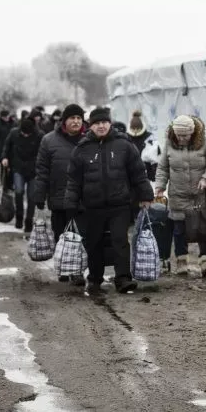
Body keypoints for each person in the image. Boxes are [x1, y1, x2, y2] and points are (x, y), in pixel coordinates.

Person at [64, 107, 153, 294]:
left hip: (119, 204)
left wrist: (145, 195)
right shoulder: (82, 149)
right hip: (93, 206)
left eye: (104, 122)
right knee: (94, 243)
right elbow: (74, 180)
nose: (101, 126)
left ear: (110, 123)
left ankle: (123, 279)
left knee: (120, 241)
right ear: (90, 126)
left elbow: (138, 172)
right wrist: (70, 203)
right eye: (97, 123)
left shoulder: (124, 145)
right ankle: (95, 279)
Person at [154, 115, 206, 277]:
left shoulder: (204, 142)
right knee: (179, 230)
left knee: (203, 228)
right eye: (179, 135)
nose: (182, 138)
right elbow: (163, 168)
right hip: (178, 194)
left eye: (185, 135)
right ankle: (182, 261)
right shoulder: (170, 144)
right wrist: (160, 186)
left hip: (200, 195)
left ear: (193, 133)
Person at [35, 104, 87, 285]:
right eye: (72, 118)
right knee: (61, 233)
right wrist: (39, 195)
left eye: (79, 118)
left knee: (81, 234)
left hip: (83, 197)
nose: (76, 121)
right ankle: (64, 267)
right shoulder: (49, 140)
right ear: (64, 121)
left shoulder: (89, 139)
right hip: (59, 196)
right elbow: (42, 170)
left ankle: (78, 271)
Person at [2, 118, 43, 235]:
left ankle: (29, 221)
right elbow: (7, 146)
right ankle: (19, 216)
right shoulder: (14, 132)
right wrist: (4, 157)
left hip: (33, 170)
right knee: (18, 192)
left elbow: (43, 151)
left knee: (31, 197)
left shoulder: (39, 135)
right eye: (23, 133)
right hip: (18, 168)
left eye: (27, 134)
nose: (25, 135)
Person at [128, 110, 159, 181]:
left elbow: (155, 158)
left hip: (147, 172)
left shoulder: (149, 137)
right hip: (131, 172)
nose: (135, 131)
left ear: (141, 127)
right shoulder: (127, 137)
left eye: (137, 129)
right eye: (133, 129)